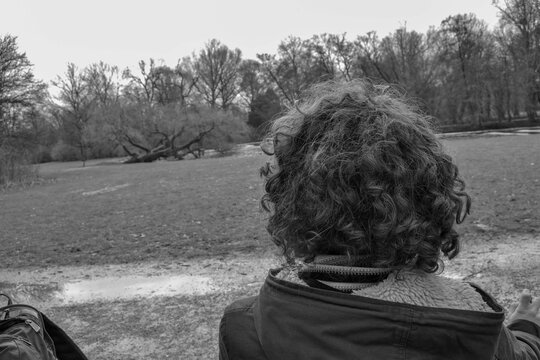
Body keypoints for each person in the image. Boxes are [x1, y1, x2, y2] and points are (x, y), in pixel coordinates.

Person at [218, 80, 540, 360]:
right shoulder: (471, 318)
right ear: (430, 195)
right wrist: (525, 327)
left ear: (290, 199)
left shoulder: (244, 325)